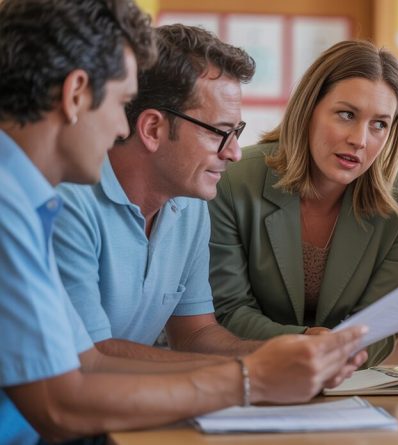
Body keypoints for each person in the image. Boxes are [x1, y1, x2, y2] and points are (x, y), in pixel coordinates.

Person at [0, 2, 364, 443]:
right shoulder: (17, 205)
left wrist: (278, 362)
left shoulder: (27, 200)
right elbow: (62, 400)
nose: (120, 126)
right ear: (76, 92)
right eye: (119, 103)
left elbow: (84, 362)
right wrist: (250, 378)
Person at [53, 24, 265, 360]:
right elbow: (90, 359)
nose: (234, 153)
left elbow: (195, 333)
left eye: (237, 131)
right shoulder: (70, 200)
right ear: (153, 128)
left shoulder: (190, 205)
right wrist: (251, 373)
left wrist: (274, 354)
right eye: (220, 133)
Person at [209, 40, 398, 367]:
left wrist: (339, 358)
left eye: (379, 124)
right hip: (245, 370)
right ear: (308, 109)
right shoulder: (234, 180)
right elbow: (227, 311)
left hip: (347, 379)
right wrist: (306, 343)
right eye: (346, 114)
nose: (360, 139)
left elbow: (383, 321)